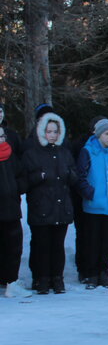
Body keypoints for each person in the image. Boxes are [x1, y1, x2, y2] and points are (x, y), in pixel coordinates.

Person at [21, 111, 78, 294]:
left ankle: (57, 278)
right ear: (42, 132)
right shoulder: (32, 154)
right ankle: (41, 279)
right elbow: (24, 180)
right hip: (41, 206)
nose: (52, 134)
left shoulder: (64, 153)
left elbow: (74, 175)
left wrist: (70, 175)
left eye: (55, 131)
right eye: (49, 131)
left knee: (57, 246)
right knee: (41, 245)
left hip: (61, 207)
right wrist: (39, 176)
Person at [75, 118, 108, 289]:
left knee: (107, 241)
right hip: (93, 204)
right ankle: (91, 273)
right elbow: (80, 176)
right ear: (98, 135)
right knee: (92, 240)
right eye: (106, 134)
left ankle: (103, 272)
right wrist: (89, 193)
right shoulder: (88, 151)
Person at [0, 123, 25, 297]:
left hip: (12, 209)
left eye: (2, 137)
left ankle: (11, 282)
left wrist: (16, 188)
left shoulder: (12, 156)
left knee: (14, 248)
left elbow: (23, 177)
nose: (1, 140)